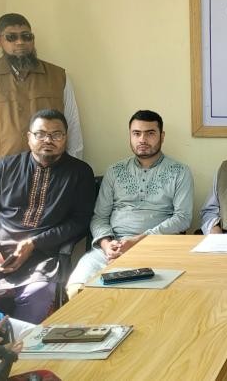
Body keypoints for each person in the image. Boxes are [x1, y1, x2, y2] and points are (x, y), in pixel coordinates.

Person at [0, 109, 95, 323]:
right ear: (29, 137)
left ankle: (20, 342)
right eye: (40, 134)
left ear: (65, 137)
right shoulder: (4, 167)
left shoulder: (80, 172)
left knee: (38, 295)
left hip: (41, 258)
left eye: (56, 134)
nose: (48, 140)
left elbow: (80, 221)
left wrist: (34, 243)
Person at [65, 111, 193, 297]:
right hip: (113, 247)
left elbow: (183, 218)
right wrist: (107, 245)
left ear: (162, 136)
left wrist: (138, 241)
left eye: (150, 133)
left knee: (145, 298)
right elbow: (99, 217)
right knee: (76, 289)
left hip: (157, 248)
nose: (142, 139)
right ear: (130, 136)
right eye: (136, 133)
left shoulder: (180, 172)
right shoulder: (114, 171)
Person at [0, 13, 83, 204]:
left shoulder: (58, 76)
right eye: (11, 37)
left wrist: (73, 171)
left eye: (26, 36)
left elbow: (73, 126)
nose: (20, 42)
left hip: (52, 176)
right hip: (1, 180)